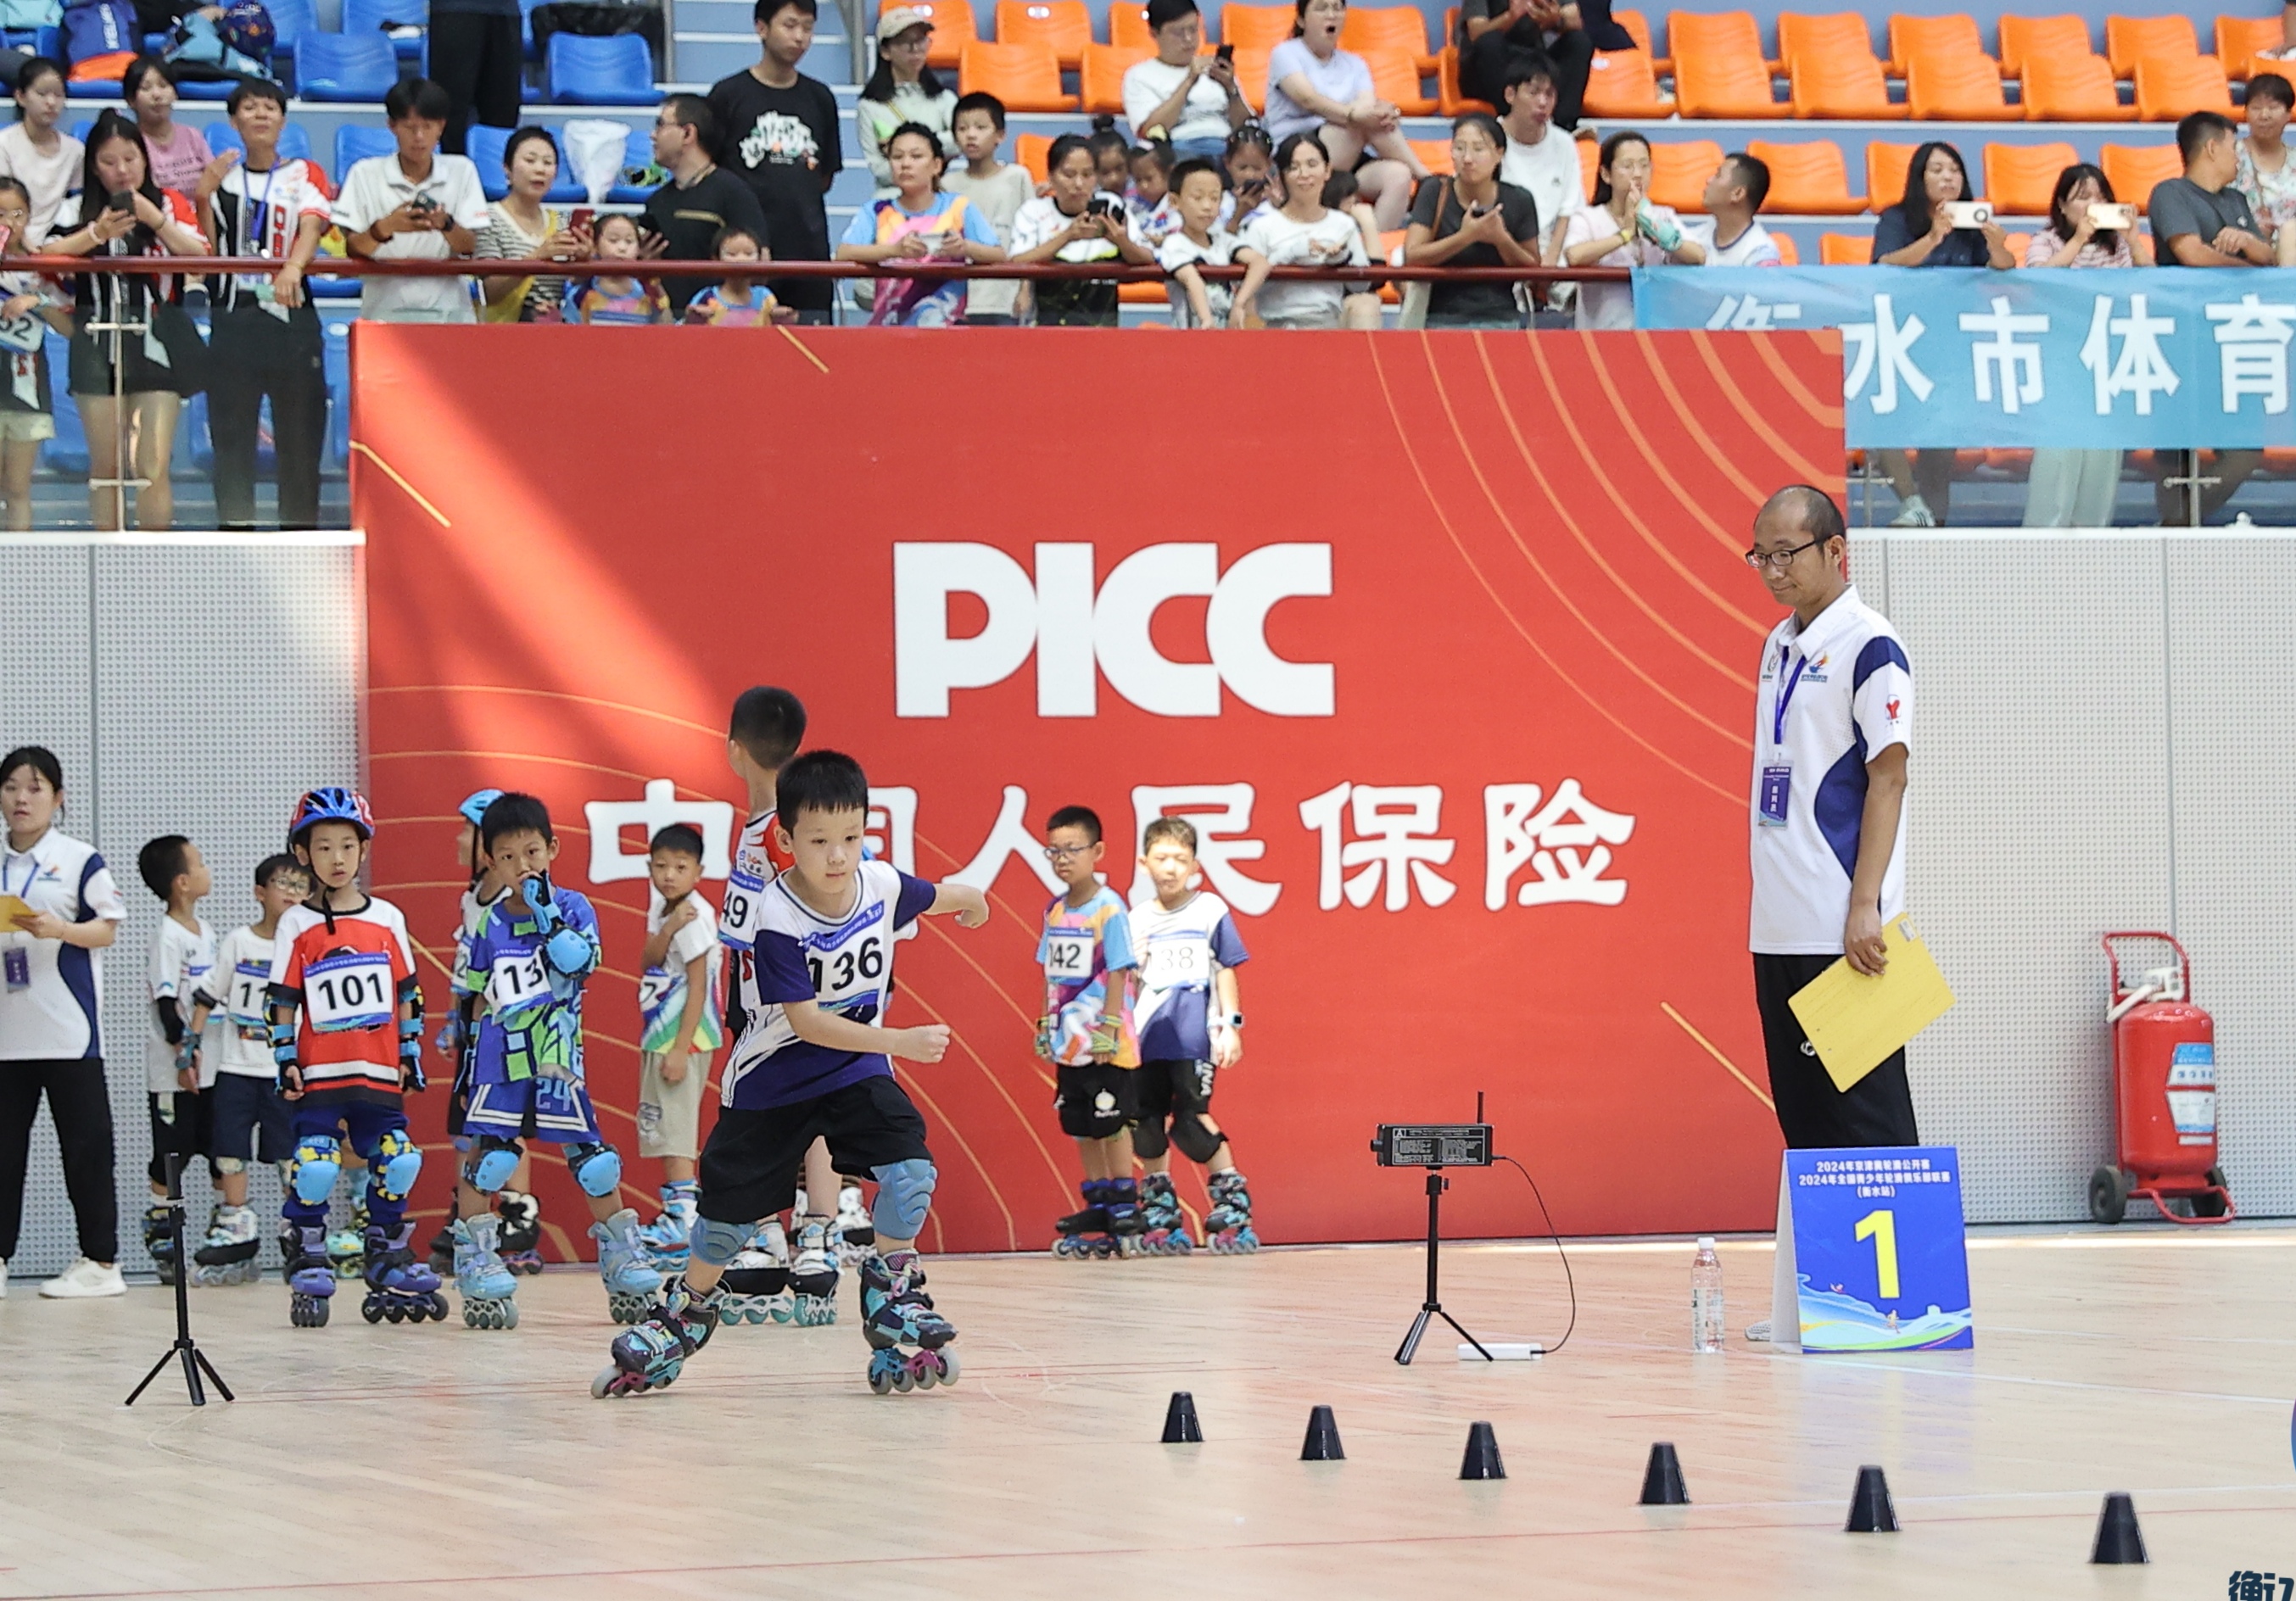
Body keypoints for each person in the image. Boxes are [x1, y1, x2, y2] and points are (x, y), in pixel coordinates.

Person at [595, 750, 992, 1399]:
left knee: (911, 1174)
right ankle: (684, 1313)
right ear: (785, 840)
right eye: (819, 840)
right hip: (773, 1081)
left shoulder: (880, 885)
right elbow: (806, 1024)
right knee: (724, 1225)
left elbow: (937, 895)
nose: (837, 856)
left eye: (851, 838)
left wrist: (971, 902)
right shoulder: (776, 916)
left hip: (854, 1071)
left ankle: (891, 1289)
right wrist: (899, 1041)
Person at [1745, 485, 1919, 1155]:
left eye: (1785, 554)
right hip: (1778, 925)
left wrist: (1865, 907)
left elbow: (1888, 777)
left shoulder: (1870, 644)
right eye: (1760, 556)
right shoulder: (1777, 644)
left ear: (1835, 550)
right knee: (1807, 1126)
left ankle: (1898, 1237)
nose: (1772, 571)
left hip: (1844, 928)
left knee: (1870, 1126)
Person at [449, 792, 662, 1331]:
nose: (522, 865)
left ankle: (621, 1254)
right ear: (491, 862)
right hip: (501, 1058)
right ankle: (474, 1258)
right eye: (507, 856)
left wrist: (546, 912)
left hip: (556, 1057)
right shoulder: (489, 923)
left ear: (552, 849)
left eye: (532, 852)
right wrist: (464, 1042)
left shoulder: (574, 907)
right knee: (491, 1158)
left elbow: (580, 961)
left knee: (593, 1159)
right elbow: (475, 991)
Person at [268, 786, 443, 1328]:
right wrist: (285, 1058)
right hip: (320, 1072)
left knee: (400, 1158)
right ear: (304, 854)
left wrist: (410, 1052)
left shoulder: (387, 917)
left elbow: (409, 992)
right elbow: (281, 999)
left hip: (377, 1069)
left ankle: (386, 1249)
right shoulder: (296, 924)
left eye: (347, 846)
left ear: (363, 850)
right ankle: (307, 1246)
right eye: (323, 848)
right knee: (317, 1164)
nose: (337, 859)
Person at [712, 683, 847, 1322]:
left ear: (733, 749)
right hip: (753, 997)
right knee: (761, 1114)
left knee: (814, 1111)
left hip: (793, 996)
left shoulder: (786, 833)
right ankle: (766, 1233)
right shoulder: (758, 828)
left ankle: (818, 1235)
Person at [42, 110, 207, 533]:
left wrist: (156, 220)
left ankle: (153, 560)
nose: (122, 170)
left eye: (131, 159)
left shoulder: (168, 203)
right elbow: (45, 258)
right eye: (109, 161)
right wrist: (95, 234)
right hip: (95, 343)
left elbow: (201, 258)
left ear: (145, 159)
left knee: (151, 464)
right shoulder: (73, 207)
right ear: (94, 167)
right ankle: (107, 559)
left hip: (157, 341)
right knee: (107, 466)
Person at [0, 745, 126, 1299]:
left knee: (86, 1148)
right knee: (4, 1154)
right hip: (7, 1036)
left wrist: (61, 930)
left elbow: (107, 929)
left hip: (69, 1035)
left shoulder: (79, 859)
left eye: (35, 788)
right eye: (11, 787)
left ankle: (101, 1262)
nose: (21, 799)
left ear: (58, 798)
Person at [195, 78, 331, 532]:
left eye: (270, 107)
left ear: (283, 120)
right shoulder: (222, 178)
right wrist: (202, 196)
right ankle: (235, 536)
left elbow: (312, 224)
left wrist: (292, 267)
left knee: (300, 437)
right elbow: (209, 250)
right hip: (234, 318)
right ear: (234, 121)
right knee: (232, 439)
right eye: (250, 107)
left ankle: (300, 534)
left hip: (293, 317)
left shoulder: (304, 172)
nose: (260, 115)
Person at [1127, 817, 1256, 1255]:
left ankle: (1232, 1205)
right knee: (1145, 1122)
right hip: (1147, 1037)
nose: (1170, 868)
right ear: (1144, 863)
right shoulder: (1136, 919)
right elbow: (1127, 983)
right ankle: (1160, 1211)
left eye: (1180, 859)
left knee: (1191, 1119)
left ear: (1195, 866)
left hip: (1192, 1037)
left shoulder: (1209, 910)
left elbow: (1226, 969)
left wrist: (1230, 1027)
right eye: (1162, 858)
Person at [179, 852, 308, 1287]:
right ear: (260, 892)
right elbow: (208, 995)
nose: (291, 893)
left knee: (290, 1154)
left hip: (284, 1070)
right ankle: (236, 1225)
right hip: (236, 1067)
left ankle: (298, 1229)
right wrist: (190, 1048)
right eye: (283, 884)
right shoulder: (239, 942)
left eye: (300, 886)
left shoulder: (307, 946)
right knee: (230, 1151)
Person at [1867, 140, 2010, 527]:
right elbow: (1885, 263)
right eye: (1937, 170)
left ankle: (1934, 522)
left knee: (1940, 444)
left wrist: (1997, 245)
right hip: (1902, 342)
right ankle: (1912, 502)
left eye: (1954, 170)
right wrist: (1933, 238)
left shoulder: (1971, 223)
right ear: (1920, 178)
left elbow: (2003, 267)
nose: (1948, 177)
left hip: (1952, 348)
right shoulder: (1897, 218)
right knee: (1881, 421)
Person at [2151, 110, 2271, 525]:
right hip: (2183, 339)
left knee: (2244, 450)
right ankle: (2173, 528)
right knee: (2176, 447)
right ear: (2212, 148)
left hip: (2232, 342)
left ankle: (2177, 524)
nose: (2239, 157)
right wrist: (2244, 268)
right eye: (2234, 147)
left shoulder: (2236, 200)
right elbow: (2191, 253)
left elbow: (2267, 254)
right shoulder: (2171, 194)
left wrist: (2248, 244)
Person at [1036, 804, 1142, 1258]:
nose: (1062, 859)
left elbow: (1119, 969)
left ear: (1097, 851)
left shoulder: (1109, 908)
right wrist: (1046, 1022)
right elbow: (1051, 974)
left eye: (1072, 849)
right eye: (1054, 851)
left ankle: (1124, 1203)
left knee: (1111, 1123)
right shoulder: (1055, 910)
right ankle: (1097, 1202)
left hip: (1105, 1042)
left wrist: (1109, 1028)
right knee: (1080, 1125)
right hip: (1069, 1043)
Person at [2021, 164, 2148, 528]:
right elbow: (2037, 280)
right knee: (2059, 458)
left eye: (2100, 197)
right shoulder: (2046, 241)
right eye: (2082, 197)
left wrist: (2135, 239)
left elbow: (2152, 286)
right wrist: (2078, 239)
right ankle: (2042, 541)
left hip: (2108, 365)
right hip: (2061, 364)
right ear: (2062, 206)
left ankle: (2092, 540)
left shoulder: (2118, 246)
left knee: (2101, 462)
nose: (2093, 204)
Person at [707, 0, 841, 321]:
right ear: (761, 28)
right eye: (790, 25)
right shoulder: (727, 95)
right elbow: (713, 173)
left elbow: (824, 177)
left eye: (808, 28)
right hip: (746, 256)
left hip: (808, 255)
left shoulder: (820, 98)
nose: (800, 37)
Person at [1264, 0, 1430, 231]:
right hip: (1297, 151)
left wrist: (1385, 112)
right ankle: (1426, 178)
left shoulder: (1355, 63)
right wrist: (1357, 115)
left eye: (1337, 8)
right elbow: (1308, 99)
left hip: (1347, 153)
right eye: (1322, 8)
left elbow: (1367, 110)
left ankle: (1373, 247)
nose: (1331, 15)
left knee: (1399, 175)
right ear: (1301, 20)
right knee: (1356, 124)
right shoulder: (1285, 53)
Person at [634, 823, 719, 1268]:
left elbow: (699, 984)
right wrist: (666, 927)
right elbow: (648, 959)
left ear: (698, 872)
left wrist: (681, 1049)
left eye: (680, 867)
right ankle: (677, 1215)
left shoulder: (695, 915)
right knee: (661, 1124)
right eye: (661, 865)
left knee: (676, 1126)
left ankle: (685, 1222)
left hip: (684, 1036)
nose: (669, 875)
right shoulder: (667, 910)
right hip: (660, 1030)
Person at [335, 78, 489, 326]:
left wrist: (445, 224)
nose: (419, 137)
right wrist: (385, 228)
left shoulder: (463, 170)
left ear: (441, 127)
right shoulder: (364, 173)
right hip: (384, 312)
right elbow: (353, 249)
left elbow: (470, 246)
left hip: (450, 313)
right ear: (392, 126)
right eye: (409, 127)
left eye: (427, 127)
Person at [137, 832, 215, 1286]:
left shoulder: (206, 932)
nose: (207, 870)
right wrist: (184, 1057)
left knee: (215, 1145)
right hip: (174, 1072)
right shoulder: (167, 937)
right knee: (173, 1152)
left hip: (212, 1067)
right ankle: (164, 1235)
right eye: (199, 863)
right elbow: (167, 1007)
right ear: (182, 882)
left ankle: (223, 1237)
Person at [838, 123, 1002, 326]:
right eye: (897, 157)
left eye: (916, 156)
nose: (905, 164)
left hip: (946, 328)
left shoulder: (959, 207)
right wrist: (894, 251)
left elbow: (998, 255)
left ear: (936, 165)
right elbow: (844, 253)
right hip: (889, 329)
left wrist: (965, 247)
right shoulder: (876, 210)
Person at [1403, 110, 1540, 329]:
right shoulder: (1434, 191)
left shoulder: (1519, 199)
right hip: (1439, 318)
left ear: (1499, 153)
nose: (1467, 159)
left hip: (1501, 318)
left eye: (1478, 149)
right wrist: (1466, 237)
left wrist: (1501, 239)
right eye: (1459, 148)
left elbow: (1533, 270)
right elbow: (1413, 256)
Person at [1231, 130, 1381, 329]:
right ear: (1282, 176)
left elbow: (1360, 285)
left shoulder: (1343, 223)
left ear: (1327, 170)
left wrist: (1341, 258)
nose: (1304, 175)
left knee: (1367, 304)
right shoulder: (1261, 226)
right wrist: (1294, 253)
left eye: (1312, 164)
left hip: (1330, 324)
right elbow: (1244, 286)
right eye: (1294, 168)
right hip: (1279, 326)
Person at [1561, 131, 1705, 332]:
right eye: (1627, 166)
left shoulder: (1663, 216)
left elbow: (1698, 256)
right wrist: (1625, 235)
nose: (1638, 174)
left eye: (1644, 165)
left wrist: (1660, 232)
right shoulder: (1588, 218)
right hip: (1602, 334)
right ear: (1606, 174)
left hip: (1655, 333)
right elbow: (1574, 256)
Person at [641, 94, 770, 318]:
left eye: (660, 125)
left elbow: (762, 267)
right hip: (667, 326)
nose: (653, 135)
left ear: (688, 133)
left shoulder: (733, 193)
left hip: (721, 326)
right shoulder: (657, 201)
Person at [1010, 131, 1154, 327]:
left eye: (1087, 175)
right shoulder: (1033, 211)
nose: (1079, 184)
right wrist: (1068, 236)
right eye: (1069, 175)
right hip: (1046, 329)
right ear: (1050, 177)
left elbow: (1148, 259)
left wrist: (1122, 242)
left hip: (1102, 332)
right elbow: (1017, 262)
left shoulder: (1112, 207)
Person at [0, 176, 67, 531]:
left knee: (17, 488)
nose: (8, 223)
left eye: (17, 213)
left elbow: (70, 327)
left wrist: (37, 301)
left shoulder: (42, 267)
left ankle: (16, 558)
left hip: (27, 388)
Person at [473, 126, 591, 324]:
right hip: (502, 331)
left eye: (548, 162)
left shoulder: (560, 222)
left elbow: (572, 283)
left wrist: (583, 261)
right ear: (507, 168)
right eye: (530, 160)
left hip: (550, 329)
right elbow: (489, 292)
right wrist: (537, 257)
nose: (540, 169)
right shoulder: (488, 219)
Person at [1456, 0, 1628, 128]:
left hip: (1533, 61)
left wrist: (1555, 20)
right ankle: (1511, 123)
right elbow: (1477, 32)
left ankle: (1562, 126)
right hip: (1491, 68)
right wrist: (1511, 16)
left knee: (1579, 41)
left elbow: (1575, 20)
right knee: (1489, 42)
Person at [940, 91, 1031, 326]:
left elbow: (1030, 239)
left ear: (1000, 135)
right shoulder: (947, 184)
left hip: (1005, 296)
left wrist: (1026, 289)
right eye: (962, 129)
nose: (971, 135)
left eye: (981, 128)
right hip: (961, 299)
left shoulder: (1017, 177)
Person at [1122, 0, 1251, 160]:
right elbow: (1150, 131)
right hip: (1178, 150)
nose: (1189, 39)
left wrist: (1231, 89)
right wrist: (1189, 81)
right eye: (1178, 33)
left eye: (1193, 29)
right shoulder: (1139, 76)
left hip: (1227, 148)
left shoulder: (1215, 69)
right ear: (1154, 34)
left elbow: (1246, 127)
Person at [1496, 53, 1583, 275]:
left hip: (1554, 251)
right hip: (1501, 249)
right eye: (1534, 93)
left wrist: (1551, 259)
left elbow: (1569, 209)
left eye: (1549, 94)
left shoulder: (1564, 143)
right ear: (1510, 94)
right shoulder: (1488, 139)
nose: (1543, 103)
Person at [857, 6, 956, 198]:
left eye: (920, 40)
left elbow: (960, 141)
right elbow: (879, 169)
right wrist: (929, 157)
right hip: (891, 197)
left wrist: (903, 146)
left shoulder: (944, 98)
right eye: (905, 41)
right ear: (885, 51)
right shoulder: (870, 105)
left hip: (935, 196)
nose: (915, 48)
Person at [0, 59, 81, 243]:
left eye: (58, 95)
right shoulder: (4, 144)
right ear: (21, 96)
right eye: (42, 94)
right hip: (10, 239)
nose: (51, 102)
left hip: (56, 241)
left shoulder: (75, 151)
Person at [428, 0, 522, 156]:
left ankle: (497, 168)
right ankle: (451, 167)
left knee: (504, 108)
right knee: (451, 109)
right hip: (455, 10)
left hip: (505, 10)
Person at [1159, 156, 1237, 327]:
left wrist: (1240, 304)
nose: (1207, 206)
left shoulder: (1223, 240)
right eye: (1198, 198)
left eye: (1214, 198)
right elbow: (1192, 279)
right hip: (1192, 334)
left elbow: (1259, 262)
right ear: (1174, 201)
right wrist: (1206, 319)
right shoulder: (1174, 243)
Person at [121, 54, 209, 195]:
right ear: (131, 100)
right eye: (146, 88)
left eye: (163, 85)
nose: (157, 95)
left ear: (175, 94)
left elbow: (211, 185)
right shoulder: (129, 143)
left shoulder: (193, 136)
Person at [566, 212, 671, 324]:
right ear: (596, 245)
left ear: (638, 248)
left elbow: (666, 326)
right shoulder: (581, 294)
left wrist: (654, 285)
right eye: (613, 240)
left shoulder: (649, 293)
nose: (622, 248)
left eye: (629, 241)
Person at [2237, 70, 2296, 264]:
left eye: (2273, 107)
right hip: (2243, 253)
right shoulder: (2230, 156)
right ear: (2246, 113)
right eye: (2256, 108)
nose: (2264, 115)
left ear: (2288, 114)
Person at [1684, 152, 1782, 267]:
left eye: (1718, 175)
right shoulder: (1697, 236)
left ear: (1737, 193)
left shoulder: (1760, 254)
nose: (1709, 180)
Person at [684, 226, 784, 324]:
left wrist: (783, 318)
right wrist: (694, 318)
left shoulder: (765, 297)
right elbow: (686, 329)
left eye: (749, 254)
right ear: (716, 260)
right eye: (732, 254)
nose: (741, 260)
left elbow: (779, 329)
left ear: (759, 258)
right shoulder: (707, 297)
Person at [1221, 121, 1276, 230]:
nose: (1249, 175)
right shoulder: (1220, 203)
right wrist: (1237, 216)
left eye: (1257, 168)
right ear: (1227, 163)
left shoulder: (1276, 203)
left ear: (1269, 164)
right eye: (1242, 168)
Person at [1128, 142, 1177, 244]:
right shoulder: (1134, 205)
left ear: (1169, 173)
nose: (1143, 186)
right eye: (1138, 180)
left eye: (1149, 179)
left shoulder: (1178, 205)